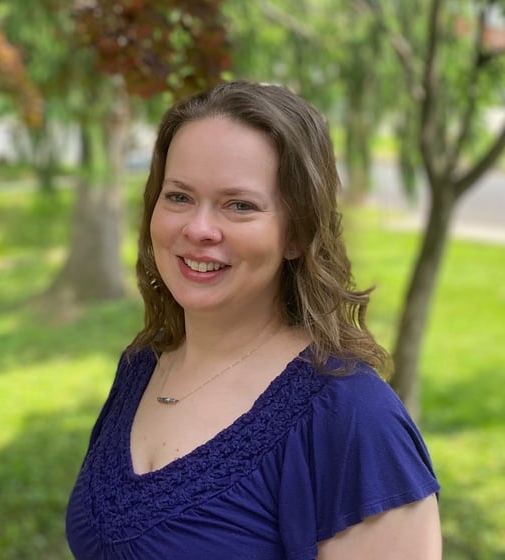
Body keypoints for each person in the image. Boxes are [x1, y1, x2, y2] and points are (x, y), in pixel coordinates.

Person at [66, 81, 441, 560]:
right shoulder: (143, 365)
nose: (198, 229)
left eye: (239, 205)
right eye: (179, 196)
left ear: (297, 234)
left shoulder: (354, 420)